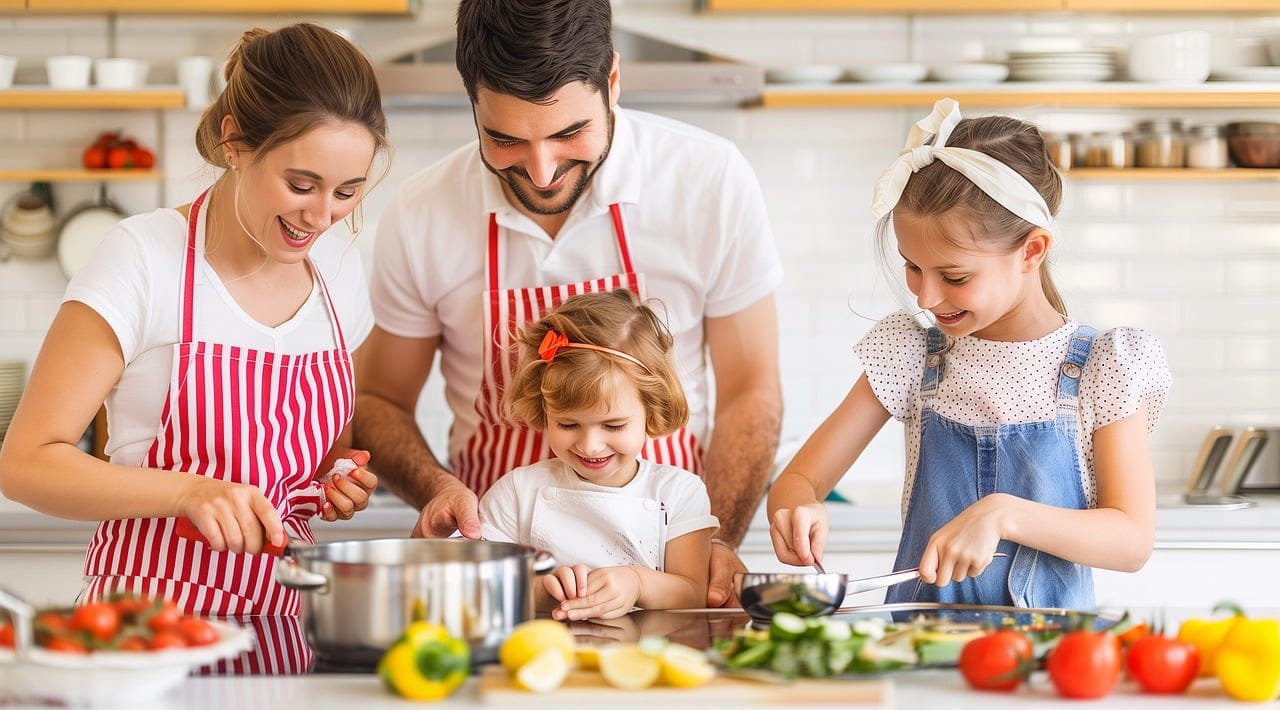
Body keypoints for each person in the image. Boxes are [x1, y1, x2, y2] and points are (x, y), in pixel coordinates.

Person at [356, 0, 783, 607]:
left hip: (661, 568)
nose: (542, 170)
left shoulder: (708, 180)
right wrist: (438, 490)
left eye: (569, 133)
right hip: (504, 582)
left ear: (612, 81)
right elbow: (377, 400)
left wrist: (710, 542)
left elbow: (752, 391)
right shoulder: (422, 211)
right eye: (504, 139)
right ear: (471, 101)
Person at [0, 23, 388, 672]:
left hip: (287, 634)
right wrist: (188, 493)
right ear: (236, 142)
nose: (322, 217)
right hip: (149, 637)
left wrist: (334, 480)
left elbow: (312, 452)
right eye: (301, 185)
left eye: (347, 193)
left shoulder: (339, 270)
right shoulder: (143, 257)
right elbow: (25, 462)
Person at [767, 98, 1171, 609]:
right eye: (913, 267)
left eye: (954, 277)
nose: (925, 297)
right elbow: (798, 481)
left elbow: (1131, 540)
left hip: (1052, 660)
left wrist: (1002, 514)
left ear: (1032, 250)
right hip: (922, 650)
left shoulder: (1103, 366)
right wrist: (798, 507)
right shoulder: (912, 352)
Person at [478, 290, 718, 621]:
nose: (590, 445)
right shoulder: (517, 493)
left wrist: (638, 583)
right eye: (568, 424)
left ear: (651, 411)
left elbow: (692, 594)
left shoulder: (680, 493)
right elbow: (484, 587)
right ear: (544, 411)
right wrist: (541, 591)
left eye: (613, 425)